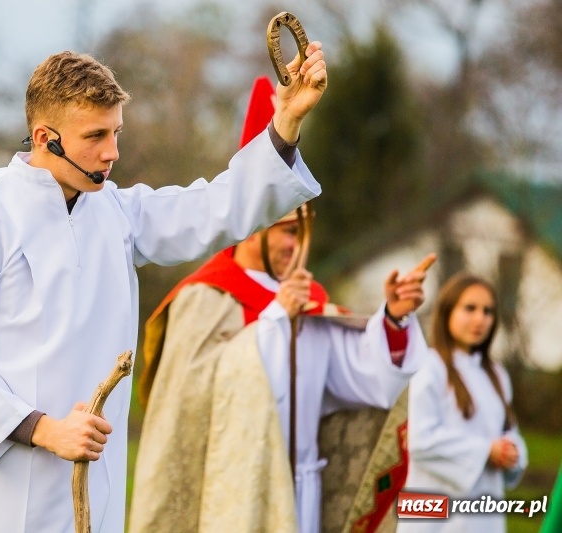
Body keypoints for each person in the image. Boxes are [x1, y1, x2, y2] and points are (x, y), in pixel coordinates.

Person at [0, 46, 327, 532]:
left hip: (87, 492)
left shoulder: (116, 214)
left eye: (116, 133)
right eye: (96, 136)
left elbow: (215, 207)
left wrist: (286, 124)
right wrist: (44, 429)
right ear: (46, 137)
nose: (113, 152)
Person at [130, 76, 433, 533]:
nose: (297, 244)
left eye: (301, 230)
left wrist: (391, 320)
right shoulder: (204, 297)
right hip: (229, 498)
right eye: (287, 230)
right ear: (253, 226)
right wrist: (274, 320)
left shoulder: (307, 300)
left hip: (303, 491)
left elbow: (360, 383)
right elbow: (190, 409)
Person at [398, 272, 528, 533]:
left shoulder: (496, 375)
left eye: (488, 311)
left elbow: (508, 431)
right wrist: (485, 451)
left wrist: (512, 452)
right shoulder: (428, 366)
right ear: (447, 312)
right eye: (470, 308)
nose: (480, 318)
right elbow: (421, 441)